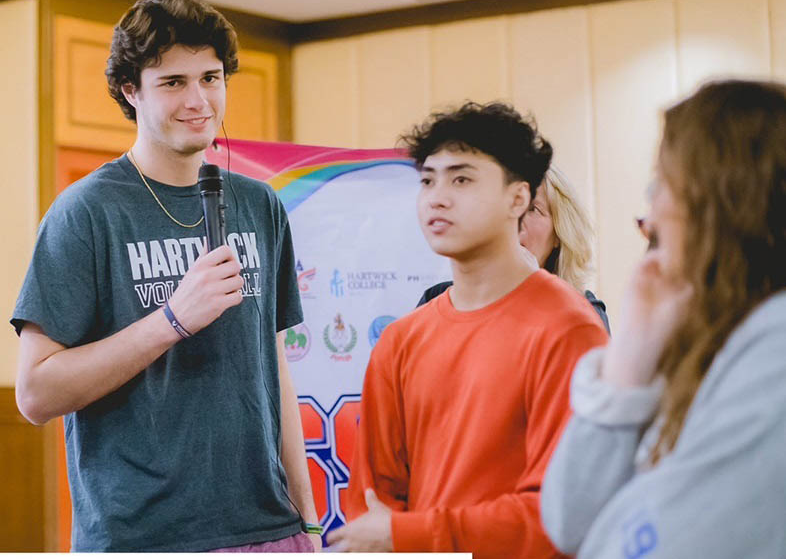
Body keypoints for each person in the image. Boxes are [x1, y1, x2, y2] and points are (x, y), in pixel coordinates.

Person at [11, 0, 319, 552]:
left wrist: (309, 522)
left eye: (211, 77)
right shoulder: (85, 212)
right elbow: (35, 393)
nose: (199, 99)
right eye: (173, 82)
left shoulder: (259, 204)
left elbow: (274, 370)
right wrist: (173, 319)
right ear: (131, 91)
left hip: (270, 531)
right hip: (144, 538)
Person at [329, 102, 607, 555]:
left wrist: (409, 536)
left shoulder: (569, 330)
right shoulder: (401, 341)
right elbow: (372, 511)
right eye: (427, 180)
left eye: (461, 179)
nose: (438, 197)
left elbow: (559, 516)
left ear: (518, 198)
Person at [541, 80, 786, 558]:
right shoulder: (706, 332)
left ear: (719, 198)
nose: (650, 214)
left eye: (661, 185)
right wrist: (627, 366)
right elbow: (568, 522)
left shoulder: (775, 346)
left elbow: (662, 542)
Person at [418, 166, 610, 332]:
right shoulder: (436, 301)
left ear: (559, 235)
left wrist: (535, 290)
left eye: (533, 208)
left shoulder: (584, 312)